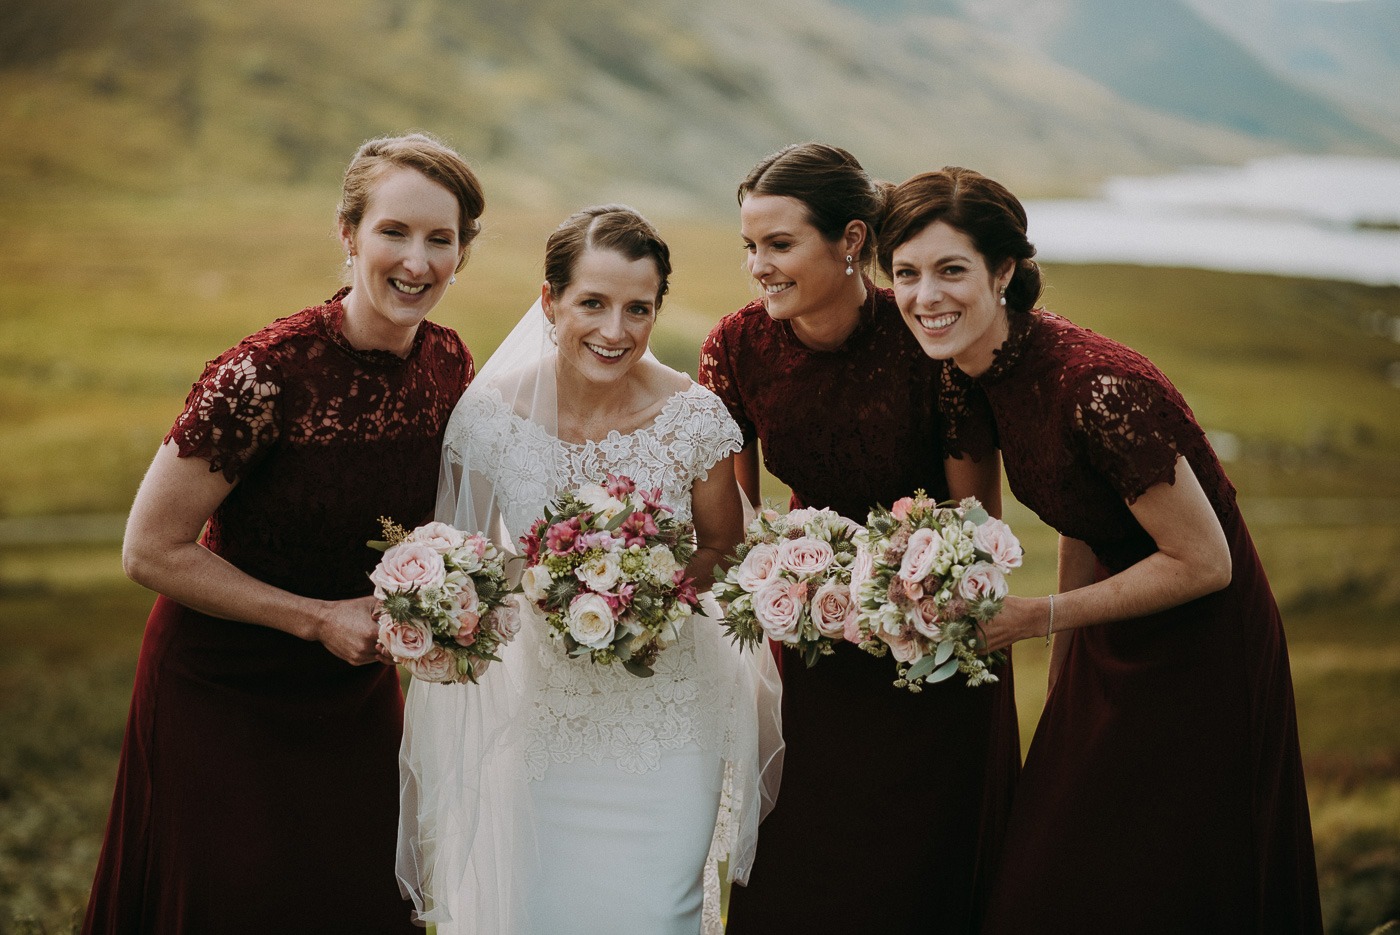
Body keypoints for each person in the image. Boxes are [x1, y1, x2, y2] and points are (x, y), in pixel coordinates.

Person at [879, 165, 1323, 933]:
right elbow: (1080, 515)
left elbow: (1206, 561)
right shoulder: (978, 371)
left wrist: (1039, 617)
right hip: (1107, 635)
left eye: (952, 270)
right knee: (1053, 874)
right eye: (906, 273)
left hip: (1202, 655)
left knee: (1165, 883)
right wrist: (1063, 681)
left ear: (1005, 271)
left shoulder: (1097, 389)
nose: (925, 297)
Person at [83, 133, 484, 934]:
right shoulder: (263, 374)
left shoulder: (447, 363)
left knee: (359, 896)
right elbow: (149, 549)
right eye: (394, 232)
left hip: (352, 690)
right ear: (348, 235)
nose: (417, 260)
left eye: (441, 239)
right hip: (222, 685)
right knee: (238, 901)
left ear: (462, 253)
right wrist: (317, 618)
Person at [396, 205, 783, 935]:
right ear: (550, 301)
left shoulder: (693, 418)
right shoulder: (489, 418)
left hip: (668, 721)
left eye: (638, 309)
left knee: (655, 912)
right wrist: (532, 587)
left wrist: (649, 594)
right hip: (540, 721)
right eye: (593, 304)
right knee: (539, 910)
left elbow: (723, 547)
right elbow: (470, 569)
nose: (616, 332)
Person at [698, 143, 1021, 934]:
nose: (759, 267)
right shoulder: (736, 347)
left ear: (849, 241)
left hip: (935, 647)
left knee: (921, 877)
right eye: (751, 247)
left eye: (780, 245)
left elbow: (975, 521)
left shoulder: (927, 338)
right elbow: (737, 523)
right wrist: (789, 582)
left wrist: (903, 601)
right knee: (806, 862)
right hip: (810, 653)